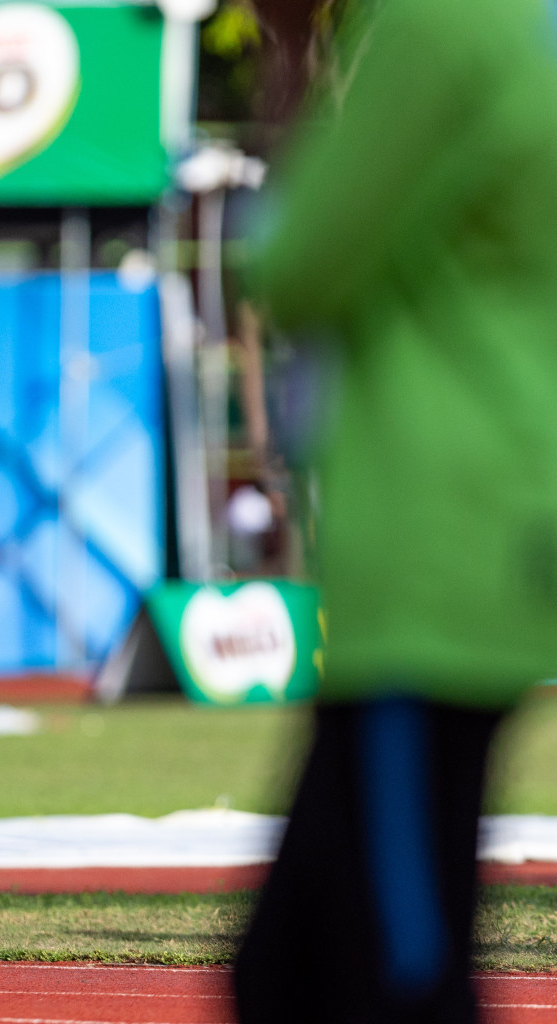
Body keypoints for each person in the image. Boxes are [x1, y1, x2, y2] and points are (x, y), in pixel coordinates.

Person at [232, 1, 557, 1020]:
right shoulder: (502, 27)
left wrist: (288, 60)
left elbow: (298, 266)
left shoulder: (443, 26)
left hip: (432, 545)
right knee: (290, 970)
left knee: (398, 969)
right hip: (476, 523)